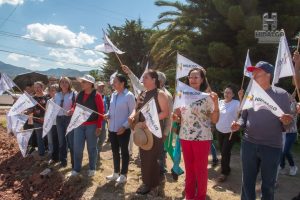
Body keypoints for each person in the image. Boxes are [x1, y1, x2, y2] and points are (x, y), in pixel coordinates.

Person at [231, 61, 292, 200]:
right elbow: (243, 118)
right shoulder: (249, 93)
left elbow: (287, 124)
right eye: (252, 72)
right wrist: (238, 125)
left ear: (268, 75)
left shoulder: (281, 95)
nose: (253, 75)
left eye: (257, 72)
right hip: (249, 144)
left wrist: (287, 121)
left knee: (268, 185)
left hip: (271, 147)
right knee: (247, 182)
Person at [174, 67, 219, 200]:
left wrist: (216, 104)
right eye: (190, 77)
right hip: (185, 136)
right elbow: (177, 114)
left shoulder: (208, 97)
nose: (193, 80)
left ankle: (200, 197)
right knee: (189, 168)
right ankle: (189, 195)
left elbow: (215, 120)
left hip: (202, 138)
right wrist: (175, 116)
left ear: (202, 79)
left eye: (196, 77)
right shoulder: (182, 94)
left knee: (200, 169)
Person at [128, 69, 169, 195]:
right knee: (144, 158)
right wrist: (132, 115)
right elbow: (136, 109)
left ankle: (154, 185)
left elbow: (165, 113)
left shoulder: (160, 94)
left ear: (154, 80)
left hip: (154, 131)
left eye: (145, 77)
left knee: (153, 158)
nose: (143, 80)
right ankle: (147, 182)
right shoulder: (142, 94)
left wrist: (149, 123)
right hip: (141, 130)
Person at [105, 74, 135, 184]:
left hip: (123, 129)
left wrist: (124, 126)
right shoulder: (113, 94)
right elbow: (111, 109)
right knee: (114, 152)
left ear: (122, 83)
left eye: (116, 81)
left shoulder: (129, 95)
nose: (113, 83)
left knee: (124, 152)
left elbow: (133, 113)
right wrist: (107, 114)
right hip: (112, 128)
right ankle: (116, 173)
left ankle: (123, 174)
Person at [71, 75, 104, 177]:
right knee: (77, 148)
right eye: (82, 81)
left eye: (84, 82)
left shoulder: (97, 96)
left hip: (92, 125)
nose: (82, 83)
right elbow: (75, 107)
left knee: (92, 148)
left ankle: (92, 168)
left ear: (90, 84)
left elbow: (101, 112)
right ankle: (76, 169)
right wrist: (71, 111)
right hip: (79, 125)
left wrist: (99, 126)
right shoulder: (79, 94)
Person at [215, 85, 240, 182]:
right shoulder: (220, 102)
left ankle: (224, 173)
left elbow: (243, 108)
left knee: (225, 152)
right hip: (219, 130)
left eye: (229, 92)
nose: (226, 94)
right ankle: (227, 168)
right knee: (223, 151)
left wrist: (241, 96)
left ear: (233, 95)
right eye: (225, 92)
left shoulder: (236, 103)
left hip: (230, 132)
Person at [54, 77, 76, 168]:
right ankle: (63, 161)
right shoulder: (57, 95)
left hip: (69, 119)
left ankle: (74, 163)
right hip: (59, 119)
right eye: (62, 82)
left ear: (69, 84)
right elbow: (55, 106)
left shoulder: (73, 94)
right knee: (62, 141)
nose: (64, 84)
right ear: (59, 84)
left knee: (71, 141)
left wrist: (71, 110)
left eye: (66, 82)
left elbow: (75, 105)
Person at [279, 92, 298, 176]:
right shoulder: (283, 106)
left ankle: (293, 166)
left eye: (289, 96)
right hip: (283, 133)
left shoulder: (294, 105)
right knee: (281, 151)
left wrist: (293, 100)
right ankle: (282, 166)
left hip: (292, 133)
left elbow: (294, 110)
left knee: (285, 151)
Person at [31, 81, 50, 157]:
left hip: (47, 120)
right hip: (37, 120)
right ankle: (41, 153)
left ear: (42, 87)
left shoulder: (48, 96)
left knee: (49, 136)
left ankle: (50, 151)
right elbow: (31, 109)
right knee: (39, 137)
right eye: (35, 87)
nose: (37, 89)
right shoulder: (32, 98)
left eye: (38, 87)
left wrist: (45, 117)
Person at [46, 84, 60, 164]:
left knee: (61, 142)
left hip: (60, 123)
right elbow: (47, 113)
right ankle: (54, 157)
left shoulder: (61, 100)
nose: (51, 92)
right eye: (50, 90)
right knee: (54, 141)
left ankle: (61, 157)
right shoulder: (49, 101)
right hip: (52, 124)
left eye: (53, 90)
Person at [96, 81, 110, 152]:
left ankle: (98, 148)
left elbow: (109, 108)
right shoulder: (93, 97)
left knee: (103, 136)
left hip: (103, 120)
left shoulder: (106, 97)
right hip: (95, 121)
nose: (101, 88)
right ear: (96, 87)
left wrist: (107, 114)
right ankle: (96, 153)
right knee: (95, 136)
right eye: (99, 86)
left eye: (102, 86)